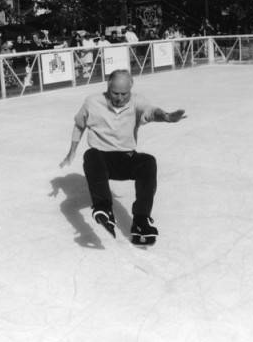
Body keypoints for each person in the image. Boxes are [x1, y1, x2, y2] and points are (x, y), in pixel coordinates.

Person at [59, 69, 186, 245]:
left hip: (126, 158)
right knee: (91, 155)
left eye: (124, 94)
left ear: (130, 90)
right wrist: (71, 150)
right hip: (100, 158)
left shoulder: (137, 101)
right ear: (108, 88)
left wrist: (165, 116)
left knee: (148, 162)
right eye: (115, 93)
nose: (119, 98)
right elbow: (79, 125)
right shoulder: (92, 102)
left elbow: (151, 112)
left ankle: (141, 221)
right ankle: (103, 209)